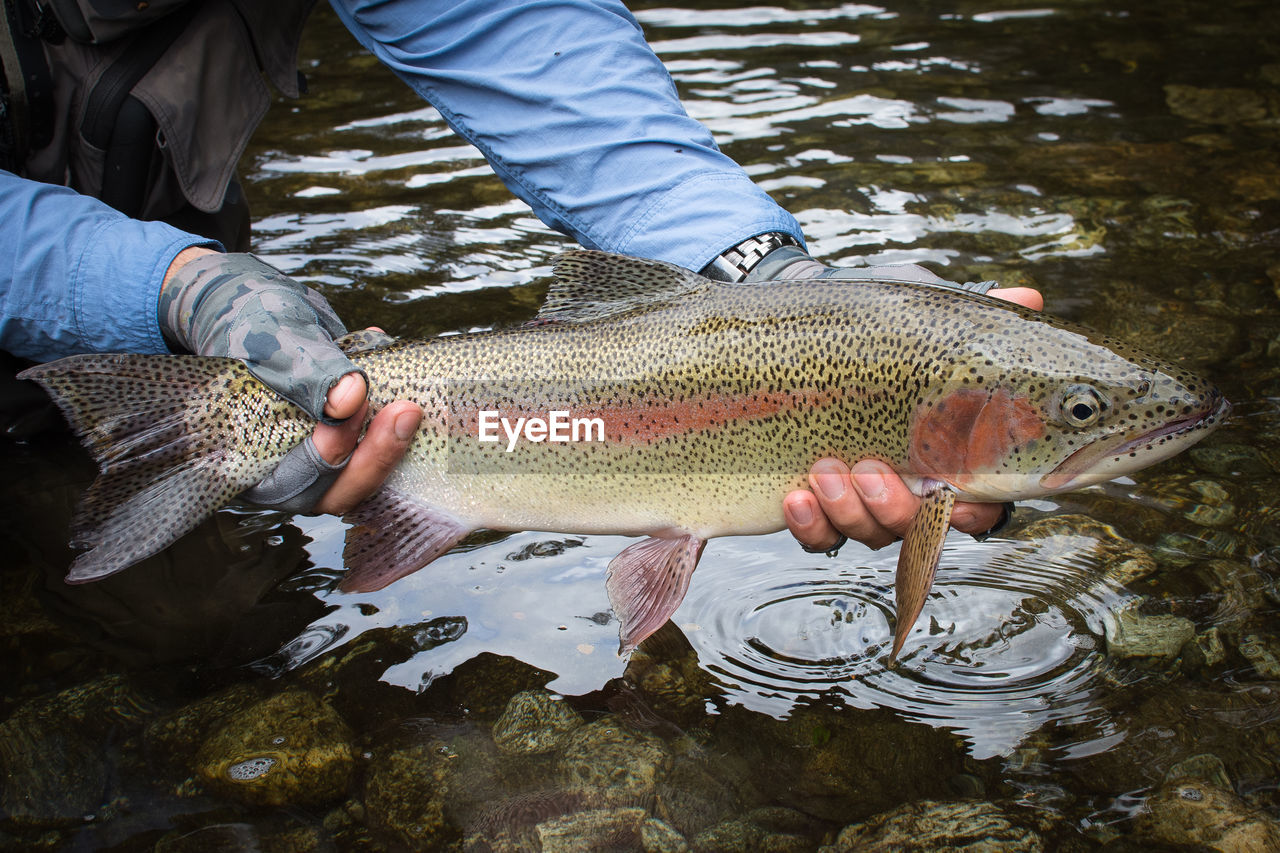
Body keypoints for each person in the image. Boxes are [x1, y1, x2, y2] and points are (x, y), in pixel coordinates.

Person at [0, 0, 1040, 557]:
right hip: (139, 283)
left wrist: (759, 276)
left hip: (187, 294)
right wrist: (170, 288)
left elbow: (515, 32)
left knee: (210, 623)